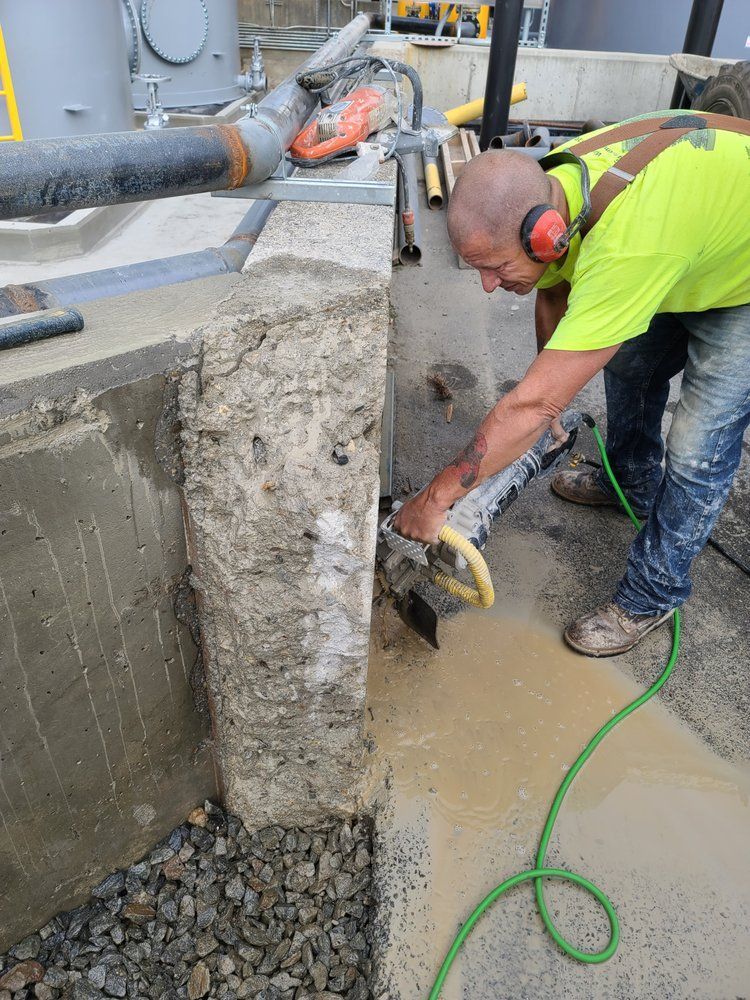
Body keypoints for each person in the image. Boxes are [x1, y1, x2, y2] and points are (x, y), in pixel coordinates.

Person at [394, 112, 750, 656]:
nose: (488, 286)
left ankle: (652, 595)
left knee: (698, 448)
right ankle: (631, 481)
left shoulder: (627, 245)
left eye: (495, 267)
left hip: (738, 275)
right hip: (693, 246)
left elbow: (532, 403)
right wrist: (550, 388)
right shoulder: (563, 188)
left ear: (545, 238)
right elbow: (554, 289)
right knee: (629, 364)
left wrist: (435, 498)